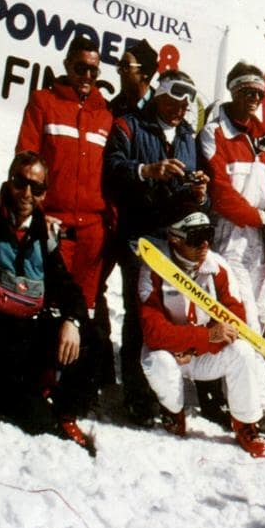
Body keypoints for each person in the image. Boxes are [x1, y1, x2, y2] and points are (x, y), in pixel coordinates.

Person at [0, 151, 105, 447]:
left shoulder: (43, 234)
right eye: (20, 182)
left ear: (44, 193)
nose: (27, 193)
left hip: (28, 332)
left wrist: (72, 322)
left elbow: (68, 288)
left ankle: (63, 408)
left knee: (94, 338)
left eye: (36, 188)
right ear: (8, 180)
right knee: (36, 420)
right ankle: (25, 399)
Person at [102, 69, 209, 423]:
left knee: (167, 315)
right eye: (176, 99)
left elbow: (189, 196)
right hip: (137, 235)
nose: (182, 108)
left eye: (187, 102)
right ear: (160, 93)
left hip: (171, 238)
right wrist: (147, 171)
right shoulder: (130, 124)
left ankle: (163, 393)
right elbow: (112, 168)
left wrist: (197, 193)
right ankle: (137, 396)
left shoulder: (186, 137)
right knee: (139, 314)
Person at [138, 210, 265, 458]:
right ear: (175, 238)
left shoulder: (218, 266)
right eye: (196, 237)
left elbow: (236, 323)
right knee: (157, 361)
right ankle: (173, 412)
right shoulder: (154, 266)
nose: (204, 244)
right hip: (170, 353)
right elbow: (153, 331)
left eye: (208, 235)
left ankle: (246, 424)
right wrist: (203, 337)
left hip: (202, 353)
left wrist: (200, 344)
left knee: (242, 352)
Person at [14, 33, 114, 341]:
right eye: (80, 68)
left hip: (92, 234)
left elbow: (112, 174)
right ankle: (41, 385)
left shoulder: (105, 115)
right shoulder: (44, 102)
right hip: (54, 226)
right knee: (48, 307)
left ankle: (72, 384)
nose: (86, 76)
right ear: (67, 65)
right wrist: (38, 213)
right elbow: (25, 159)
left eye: (93, 71)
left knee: (82, 312)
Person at [198, 61, 265, 323]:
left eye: (260, 94)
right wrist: (261, 218)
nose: (255, 98)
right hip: (231, 233)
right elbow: (220, 192)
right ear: (233, 91)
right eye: (248, 92)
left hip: (261, 239)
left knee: (258, 313)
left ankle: (253, 364)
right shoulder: (215, 133)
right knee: (241, 316)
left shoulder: (264, 138)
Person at [109, 38, 157, 119]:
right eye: (120, 66)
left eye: (126, 67)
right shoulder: (114, 107)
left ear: (145, 72)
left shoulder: (160, 109)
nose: (120, 72)